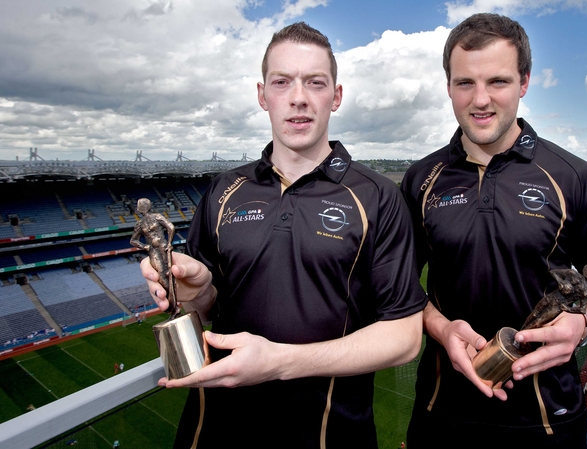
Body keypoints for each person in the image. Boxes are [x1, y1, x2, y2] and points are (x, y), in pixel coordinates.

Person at [139, 22, 427, 448]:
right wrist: (197, 292)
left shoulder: (378, 196)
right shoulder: (223, 190)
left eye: (315, 82)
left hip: (330, 434)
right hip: (213, 432)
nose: (298, 97)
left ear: (337, 96)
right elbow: (202, 312)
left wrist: (280, 362)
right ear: (262, 95)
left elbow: (403, 338)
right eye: (282, 82)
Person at [401, 13, 587, 448]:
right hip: (441, 414)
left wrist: (584, 323)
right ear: (448, 86)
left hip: (547, 420)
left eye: (499, 82)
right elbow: (398, 291)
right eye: (465, 83)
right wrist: (440, 329)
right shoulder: (420, 179)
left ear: (525, 82)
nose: (481, 99)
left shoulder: (573, 177)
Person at [130, 197, 178, 316]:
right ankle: (171, 304)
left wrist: (169, 243)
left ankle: (174, 304)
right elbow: (133, 240)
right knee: (161, 275)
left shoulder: (156, 216)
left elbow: (170, 227)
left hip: (162, 247)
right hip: (153, 250)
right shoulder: (140, 223)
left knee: (169, 273)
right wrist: (144, 246)